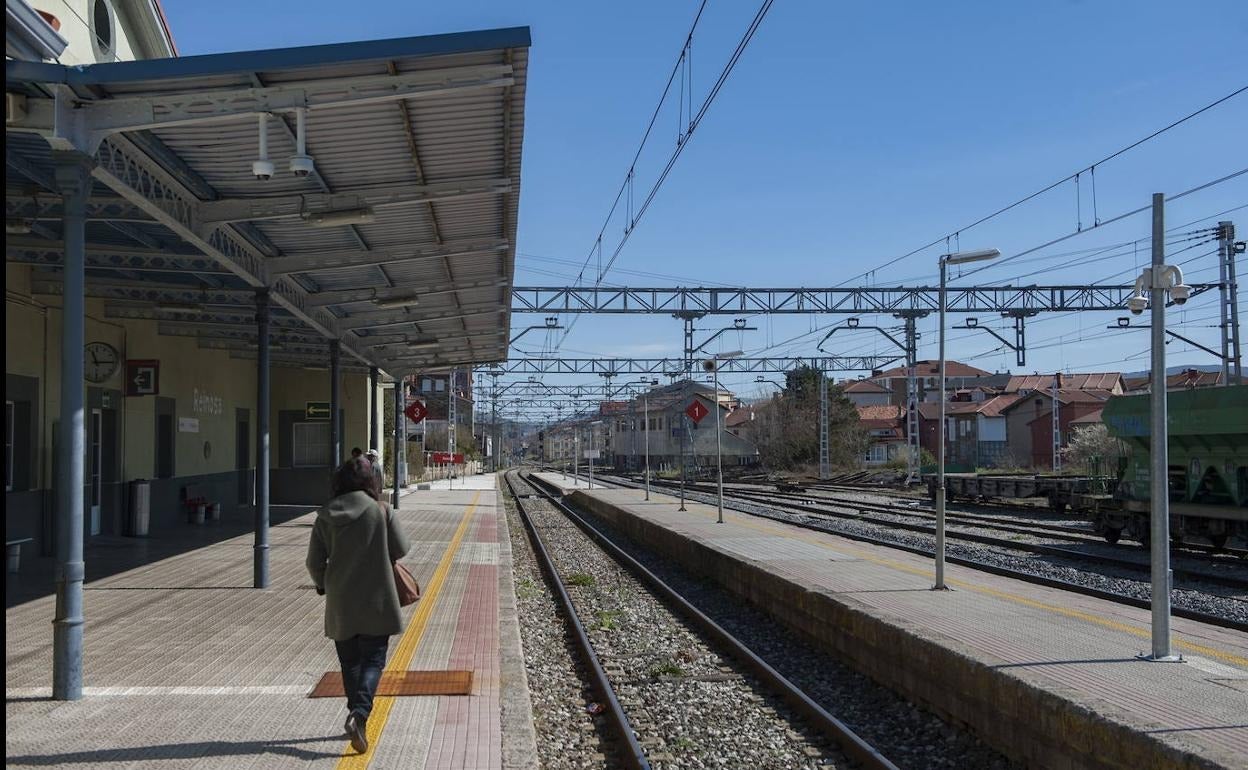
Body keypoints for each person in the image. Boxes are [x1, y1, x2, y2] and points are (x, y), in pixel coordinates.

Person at [306, 457, 411, 754]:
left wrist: (322, 583)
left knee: (350, 662)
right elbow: (402, 548)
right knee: (374, 661)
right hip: (377, 599)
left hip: (341, 602)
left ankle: (356, 716)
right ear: (370, 482)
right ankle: (360, 714)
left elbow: (314, 562)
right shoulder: (380, 510)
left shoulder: (325, 516)